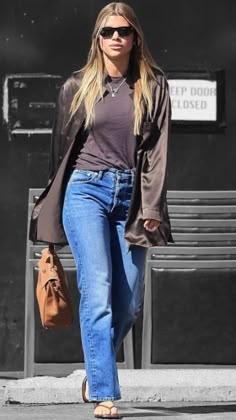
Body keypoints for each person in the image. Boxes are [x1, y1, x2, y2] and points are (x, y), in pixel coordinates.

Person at [30, 2, 173, 418]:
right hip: (85, 192)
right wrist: (52, 212)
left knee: (128, 303)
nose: (115, 37)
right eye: (107, 31)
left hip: (131, 196)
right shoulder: (76, 86)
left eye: (123, 31)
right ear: (97, 38)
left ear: (135, 38)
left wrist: (152, 207)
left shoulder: (154, 85)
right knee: (97, 294)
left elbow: (158, 153)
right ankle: (105, 394)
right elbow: (60, 155)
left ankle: (97, 368)